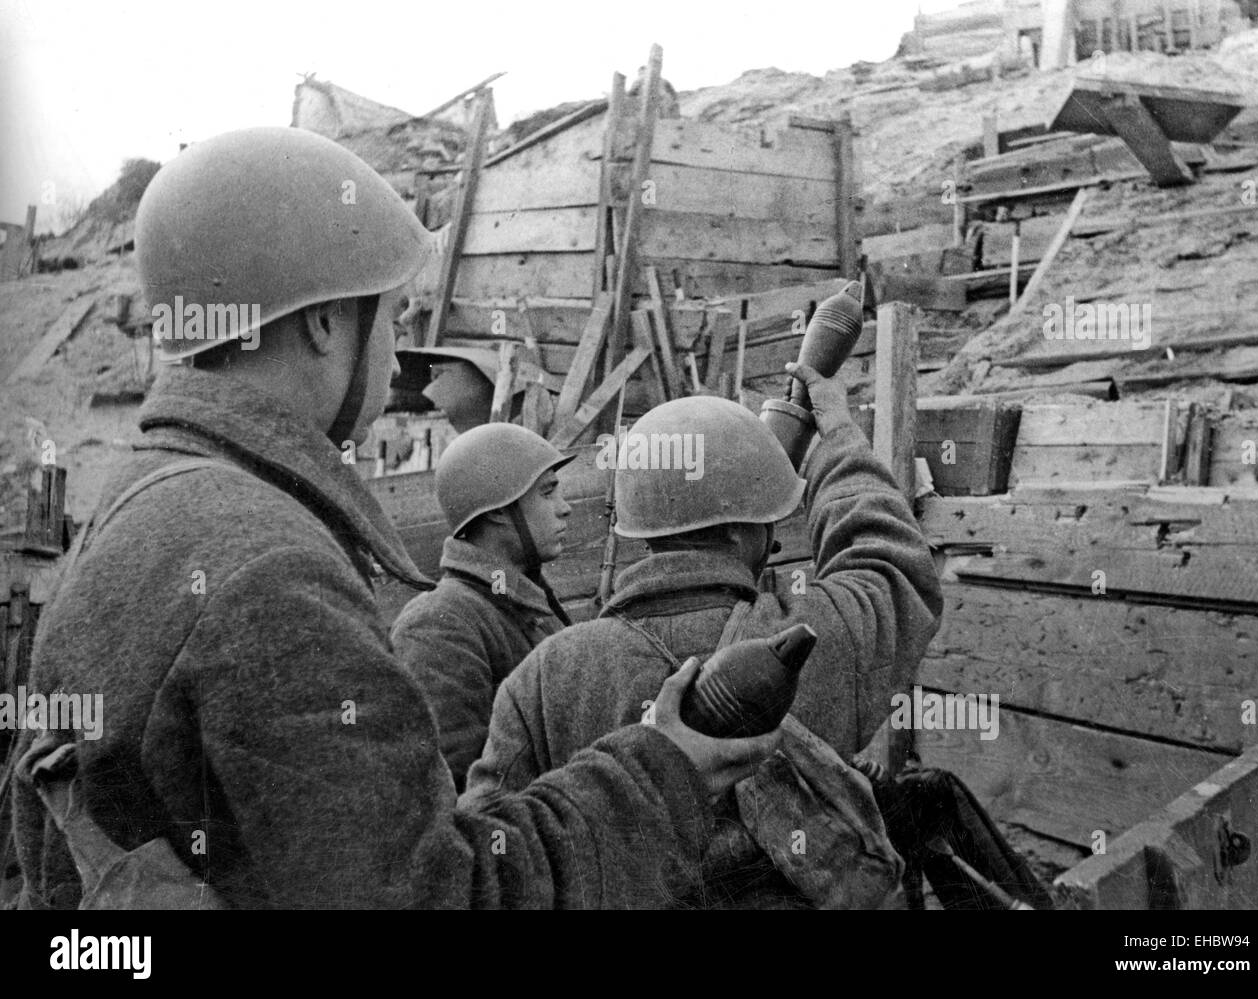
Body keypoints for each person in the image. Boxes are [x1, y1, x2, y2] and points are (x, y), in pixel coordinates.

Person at [8, 126, 777, 910]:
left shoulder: (136, 504)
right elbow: (435, 896)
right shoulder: (270, 569)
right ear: (325, 322)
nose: (397, 349)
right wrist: (661, 771)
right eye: (394, 314)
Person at [463, 380, 945, 905]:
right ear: (743, 536)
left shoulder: (542, 675)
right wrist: (838, 432)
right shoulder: (820, 631)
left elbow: (488, 855)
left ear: (637, 529)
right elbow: (889, 558)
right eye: (770, 526)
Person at [391, 423, 574, 791]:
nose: (565, 508)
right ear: (499, 511)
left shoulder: (527, 603)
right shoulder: (439, 626)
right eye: (547, 493)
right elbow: (455, 786)